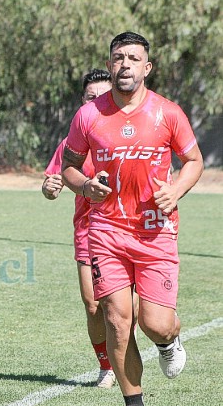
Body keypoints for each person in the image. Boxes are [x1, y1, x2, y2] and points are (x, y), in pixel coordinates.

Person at [61, 32, 203, 406]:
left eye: (133, 58)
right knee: (118, 322)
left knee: (154, 323)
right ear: (110, 65)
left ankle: (168, 341)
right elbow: (69, 167)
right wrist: (86, 186)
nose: (125, 64)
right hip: (106, 231)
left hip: (156, 231)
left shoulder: (167, 112)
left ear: (147, 67)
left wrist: (176, 191)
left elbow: (193, 161)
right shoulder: (89, 114)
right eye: (119, 58)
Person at [42, 68, 118, 388]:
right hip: (87, 229)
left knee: (123, 306)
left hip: (125, 229)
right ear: (82, 101)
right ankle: (106, 366)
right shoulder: (72, 142)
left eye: (103, 96)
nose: (98, 101)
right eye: (91, 97)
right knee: (92, 302)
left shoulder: (130, 136)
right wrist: (51, 186)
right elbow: (51, 184)